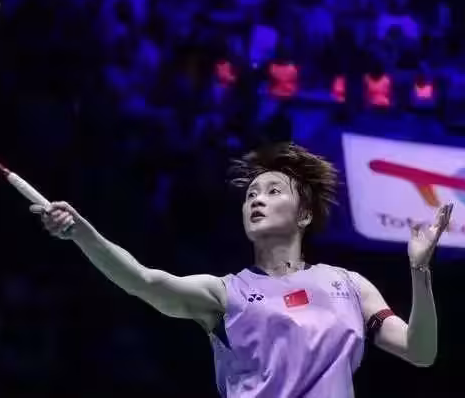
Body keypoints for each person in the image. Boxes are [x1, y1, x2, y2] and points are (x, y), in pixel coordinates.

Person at [31, 143, 452, 397]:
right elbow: (142, 280)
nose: (257, 199)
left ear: (304, 214)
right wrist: (82, 233)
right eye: (251, 194)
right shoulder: (225, 293)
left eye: (273, 191)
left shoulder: (349, 284)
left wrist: (420, 271)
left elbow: (420, 351)